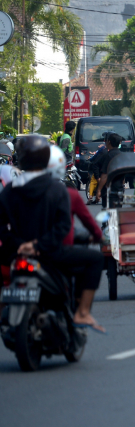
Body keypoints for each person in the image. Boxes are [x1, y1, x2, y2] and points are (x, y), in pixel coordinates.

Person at [0, 135, 105, 333]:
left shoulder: (10, 190)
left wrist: (17, 244)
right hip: (51, 253)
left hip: (15, 253)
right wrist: (38, 246)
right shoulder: (57, 190)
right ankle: (82, 311)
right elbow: (63, 226)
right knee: (96, 259)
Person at [46, 147, 102, 246]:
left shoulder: (21, 191)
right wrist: (99, 236)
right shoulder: (70, 194)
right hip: (61, 249)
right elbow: (87, 220)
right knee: (98, 259)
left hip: (32, 248)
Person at [94, 133, 125, 206]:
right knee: (117, 212)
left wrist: (99, 190)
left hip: (109, 191)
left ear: (109, 142)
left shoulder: (109, 155)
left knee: (108, 212)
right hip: (120, 189)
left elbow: (105, 175)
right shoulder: (122, 155)